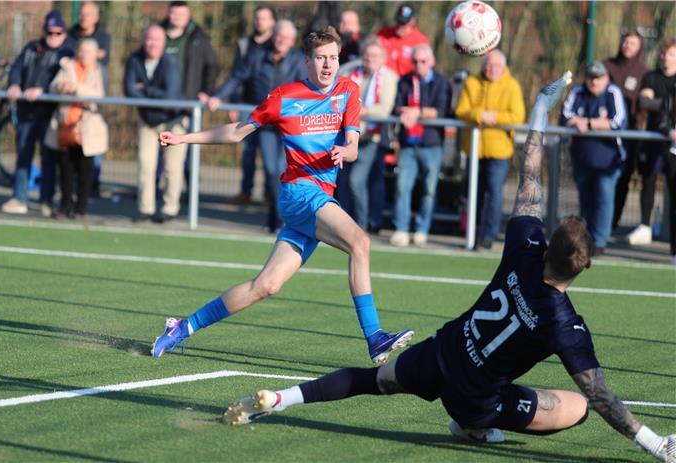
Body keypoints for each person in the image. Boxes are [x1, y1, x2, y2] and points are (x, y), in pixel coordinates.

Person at [220, 73, 676, 463]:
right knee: (576, 406)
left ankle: (282, 398)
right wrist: (656, 444)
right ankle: (473, 428)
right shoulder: (565, 323)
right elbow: (599, 395)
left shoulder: (524, 245)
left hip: (442, 352)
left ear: (547, 244)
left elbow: (531, 172)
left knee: (372, 380)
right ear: (586, 266)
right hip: (475, 400)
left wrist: (540, 105)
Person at [153, 26, 414, 365]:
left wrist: (344, 152)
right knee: (359, 243)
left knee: (265, 286)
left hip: (318, 196)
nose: (328, 65)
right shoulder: (283, 97)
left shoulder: (349, 90)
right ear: (306, 61)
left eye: (334, 58)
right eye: (320, 58)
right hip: (299, 192)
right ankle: (375, 337)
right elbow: (236, 132)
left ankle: (182, 327)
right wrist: (184, 138)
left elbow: (352, 144)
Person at [208, 20, 306, 233]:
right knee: (272, 171)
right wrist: (218, 96)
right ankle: (275, 216)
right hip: (267, 124)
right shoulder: (257, 56)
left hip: (291, 126)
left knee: (288, 172)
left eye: (287, 38)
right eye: (280, 36)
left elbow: (307, 90)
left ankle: (285, 219)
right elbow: (237, 77)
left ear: (292, 41)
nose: (282, 41)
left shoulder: (299, 61)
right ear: (274, 36)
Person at [1, 11, 74, 216]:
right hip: (27, 112)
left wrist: (42, 90)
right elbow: (16, 68)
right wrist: (14, 84)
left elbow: (62, 79)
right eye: (50, 32)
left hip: (49, 114)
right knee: (23, 156)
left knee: (48, 160)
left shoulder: (67, 53)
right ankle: (19, 197)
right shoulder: (32, 47)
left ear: (63, 33)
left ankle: (46, 200)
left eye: (57, 32)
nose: (53, 36)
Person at [455, 50, 525, 250]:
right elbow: (461, 110)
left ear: (503, 68)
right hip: (474, 149)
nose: (491, 69)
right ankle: (472, 232)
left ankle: (489, 234)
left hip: (499, 150)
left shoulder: (512, 86)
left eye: (495, 66)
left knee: (494, 192)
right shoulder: (471, 83)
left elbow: (517, 116)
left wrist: (494, 117)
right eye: (488, 65)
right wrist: (479, 115)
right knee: (473, 193)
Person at [160, 1, 219, 223]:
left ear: (188, 15)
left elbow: (212, 66)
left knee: (186, 157)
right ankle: (162, 200)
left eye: (181, 13)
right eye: (173, 12)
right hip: (160, 107)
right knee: (159, 161)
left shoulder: (199, 38)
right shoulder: (159, 33)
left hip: (186, 108)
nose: (176, 16)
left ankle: (190, 199)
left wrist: (207, 91)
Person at [560, 61, 627, 255]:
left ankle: (599, 242)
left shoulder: (613, 92)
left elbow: (618, 122)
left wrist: (588, 123)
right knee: (586, 200)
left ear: (606, 78)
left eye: (598, 78)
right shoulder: (577, 92)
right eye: (590, 77)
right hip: (582, 158)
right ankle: (585, 240)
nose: (593, 81)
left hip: (608, 161)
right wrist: (578, 122)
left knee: (603, 198)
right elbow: (565, 116)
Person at [389, 44, 451, 248]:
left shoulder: (441, 82)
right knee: (402, 187)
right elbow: (396, 106)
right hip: (408, 144)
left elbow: (442, 111)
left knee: (429, 190)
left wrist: (418, 112)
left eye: (423, 61)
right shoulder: (405, 80)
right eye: (415, 61)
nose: (418, 65)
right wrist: (404, 111)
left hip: (431, 144)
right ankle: (401, 229)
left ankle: (422, 230)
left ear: (431, 62)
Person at [124, 24, 186, 223]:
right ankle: (145, 208)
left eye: (157, 40)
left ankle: (170, 208)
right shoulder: (134, 60)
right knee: (145, 164)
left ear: (164, 43)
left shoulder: (170, 63)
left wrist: (146, 89)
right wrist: (150, 93)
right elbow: (129, 89)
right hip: (148, 121)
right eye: (149, 39)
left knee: (172, 167)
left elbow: (170, 95)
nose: (152, 44)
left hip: (173, 121)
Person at [43, 38, 107, 219]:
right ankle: (65, 205)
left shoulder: (99, 71)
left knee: (85, 170)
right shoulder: (67, 66)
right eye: (82, 50)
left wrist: (78, 88)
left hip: (88, 127)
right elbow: (53, 87)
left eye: (89, 51)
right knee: (65, 168)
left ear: (96, 54)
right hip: (65, 125)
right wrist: (62, 86)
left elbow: (100, 95)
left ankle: (81, 207)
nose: (85, 54)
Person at [339, 39, 398, 232]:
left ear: (382, 59)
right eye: (366, 56)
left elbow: (384, 109)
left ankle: (361, 225)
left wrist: (358, 110)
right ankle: (343, 224)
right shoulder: (350, 72)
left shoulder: (389, 78)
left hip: (370, 138)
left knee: (357, 181)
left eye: (374, 56)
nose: (369, 59)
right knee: (344, 183)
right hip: (347, 136)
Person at [625, 39, 676, 251]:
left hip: (672, 145)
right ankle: (645, 225)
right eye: (663, 53)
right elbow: (644, 102)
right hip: (656, 137)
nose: (665, 57)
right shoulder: (651, 77)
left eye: (671, 54)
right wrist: (667, 103)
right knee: (648, 178)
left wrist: (661, 102)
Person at [227, 5, 276, 207]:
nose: (259, 22)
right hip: (247, 106)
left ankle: (268, 193)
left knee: (269, 154)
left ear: (272, 22)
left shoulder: (277, 45)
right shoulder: (244, 44)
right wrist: (233, 103)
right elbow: (236, 75)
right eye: (257, 18)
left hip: (271, 109)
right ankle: (245, 191)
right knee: (248, 152)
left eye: (264, 18)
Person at [67, 0, 111, 198]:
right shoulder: (70, 34)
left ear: (96, 16)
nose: (84, 18)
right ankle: (72, 188)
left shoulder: (104, 37)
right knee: (70, 149)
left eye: (88, 14)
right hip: (72, 108)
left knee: (93, 147)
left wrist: (79, 86)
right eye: (82, 14)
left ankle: (93, 184)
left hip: (91, 106)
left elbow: (100, 62)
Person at [605, 31, 648, 234]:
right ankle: (598, 220)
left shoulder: (643, 72)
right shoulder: (607, 66)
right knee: (602, 178)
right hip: (605, 136)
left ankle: (613, 222)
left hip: (630, 136)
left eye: (632, 42)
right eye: (625, 41)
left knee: (623, 179)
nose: (627, 45)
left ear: (639, 47)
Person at [376, 2, 430, 78]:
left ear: (413, 21)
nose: (400, 26)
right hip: (382, 81)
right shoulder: (382, 34)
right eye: (399, 22)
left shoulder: (421, 41)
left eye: (404, 23)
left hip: (406, 84)